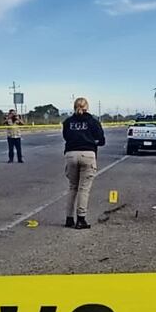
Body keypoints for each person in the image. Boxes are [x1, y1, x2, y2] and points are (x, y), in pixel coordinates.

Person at [62, 97, 105, 229]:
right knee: (83, 189)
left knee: (72, 187)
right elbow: (101, 140)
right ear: (87, 107)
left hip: (71, 154)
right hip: (88, 154)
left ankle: (69, 218)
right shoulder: (93, 121)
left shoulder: (68, 122)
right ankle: (81, 219)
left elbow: (66, 137)